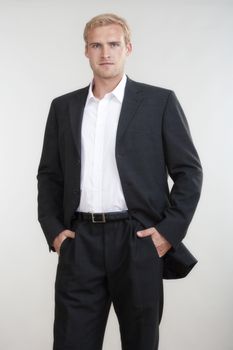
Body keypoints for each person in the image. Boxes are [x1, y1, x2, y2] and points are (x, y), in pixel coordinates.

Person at [37, 13, 203, 350]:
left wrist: (168, 232)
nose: (105, 53)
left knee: (140, 342)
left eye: (113, 44)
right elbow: (49, 174)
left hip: (137, 239)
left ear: (128, 47)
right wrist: (54, 230)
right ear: (86, 51)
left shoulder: (159, 102)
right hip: (79, 242)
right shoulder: (64, 107)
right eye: (96, 45)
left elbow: (189, 172)